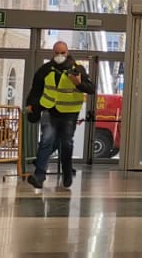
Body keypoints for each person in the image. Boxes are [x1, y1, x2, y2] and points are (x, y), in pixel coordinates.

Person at [24, 41, 96, 190]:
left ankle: (67, 172)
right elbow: (36, 89)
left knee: (66, 143)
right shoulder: (45, 70)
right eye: (57, 52)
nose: (59, 55)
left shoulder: (77, 69)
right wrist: (31, 104)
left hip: (69, 113)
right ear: (52, 53)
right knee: (46, 140)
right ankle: (39, 176)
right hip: (50, 110)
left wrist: (78, 83)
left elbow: (91, 88)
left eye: (62, 53)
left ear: (67, 53)